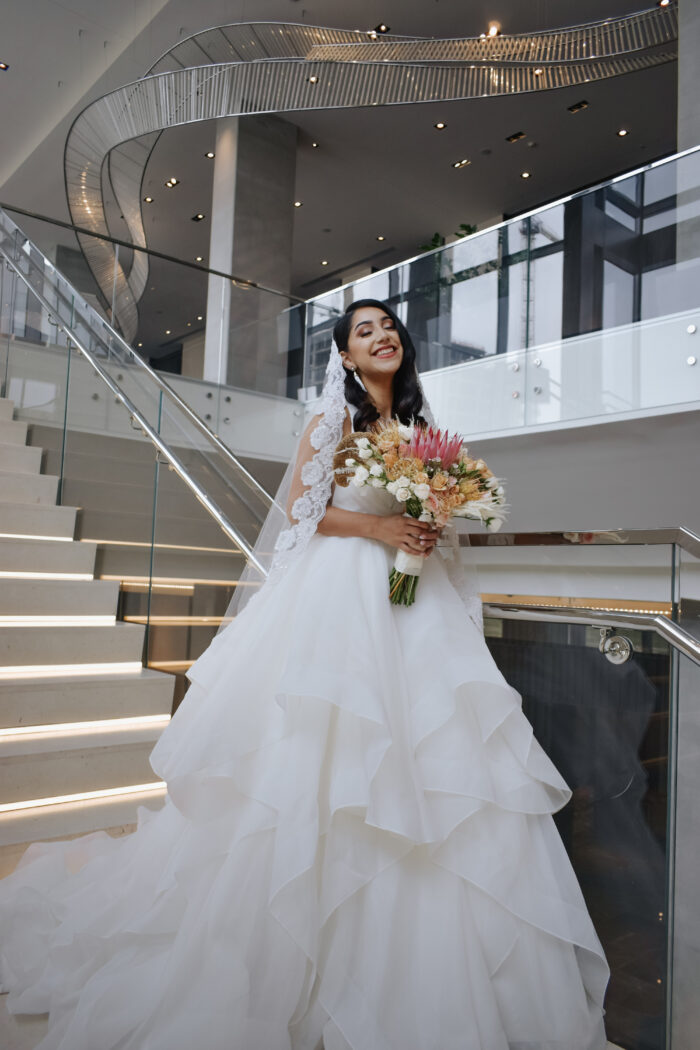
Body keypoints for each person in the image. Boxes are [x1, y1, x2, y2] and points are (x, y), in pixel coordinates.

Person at [0, 299, 609, 1049]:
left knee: (435, 765)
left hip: (411, 605)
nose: (382, 336)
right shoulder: (335, 421)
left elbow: (430, 520)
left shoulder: (421, 433)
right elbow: (301, 510)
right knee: (330, 759)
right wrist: (383, 524)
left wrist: (430, 523)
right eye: (365, 331)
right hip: (339, 599)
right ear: (347, 358)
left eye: (389, 327)